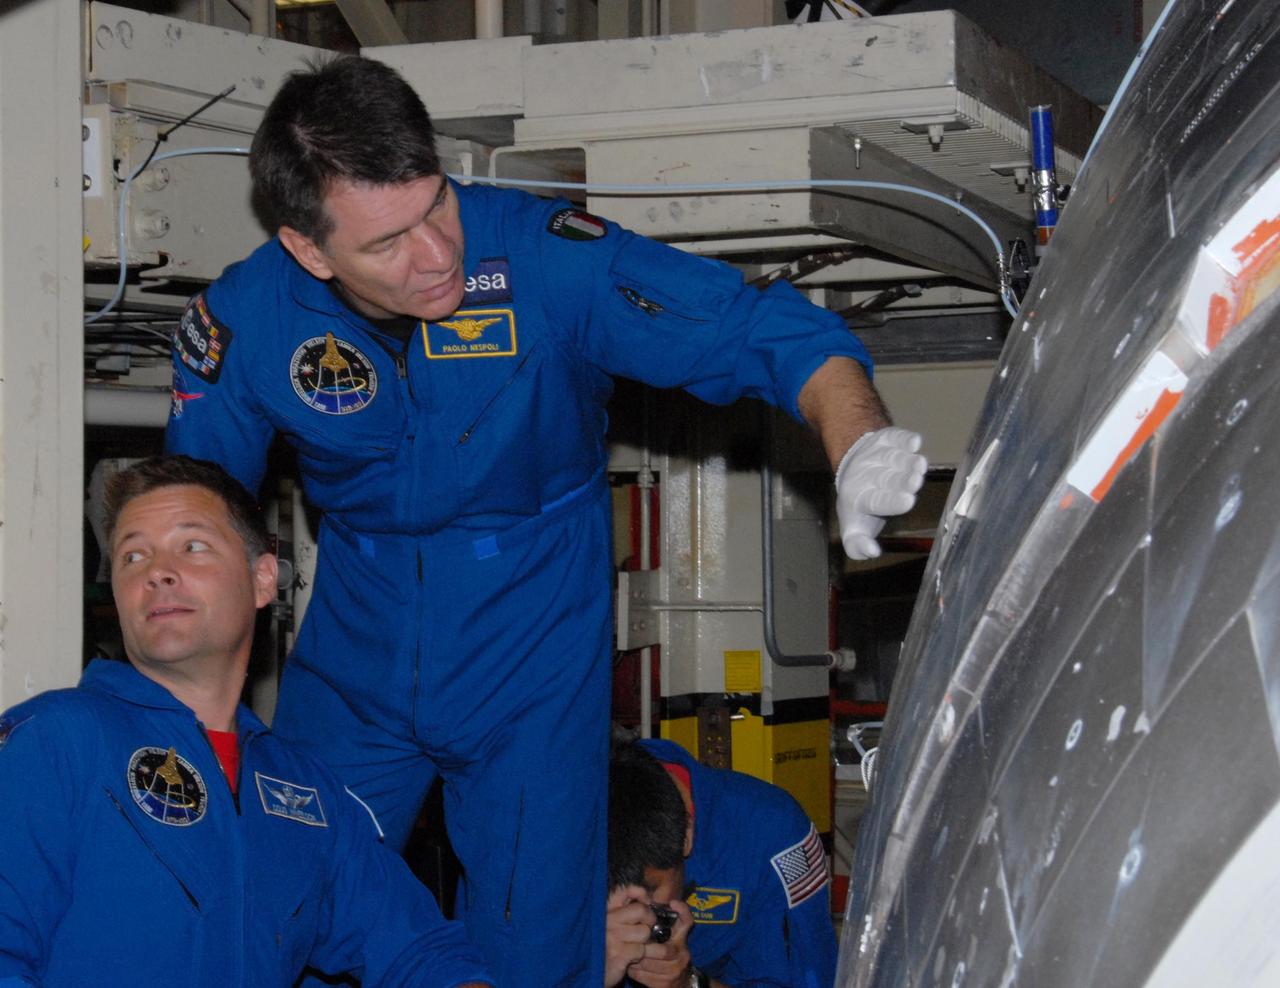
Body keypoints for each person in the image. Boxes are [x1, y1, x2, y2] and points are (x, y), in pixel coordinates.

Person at [164, 54, 924, 987]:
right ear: (310, 251)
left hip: (533, 638)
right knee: (284, 906)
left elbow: (753, 328)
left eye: (437, 205)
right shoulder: (247, 323)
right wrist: (185, 708)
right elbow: (190, 519)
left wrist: (857, 439)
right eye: (388, 242)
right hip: (358, 639)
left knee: (535, 943)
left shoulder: (544, 259)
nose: (437, 253)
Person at [0, 456, 493, 988]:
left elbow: (419, 949)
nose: (156, 571)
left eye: (192, 546)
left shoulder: (303, 791)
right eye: (132, 556)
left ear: (262, 579)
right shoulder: (54, 741)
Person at [606, 740, 836, 988]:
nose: (631, 918)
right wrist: (587, 970)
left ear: (687, 836)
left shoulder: (773, 836)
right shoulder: (565, 830)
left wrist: (688, 984)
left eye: (648, 895)